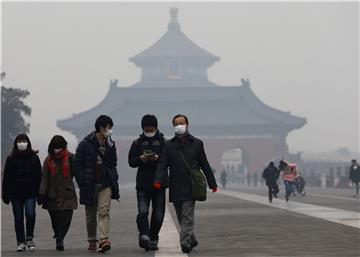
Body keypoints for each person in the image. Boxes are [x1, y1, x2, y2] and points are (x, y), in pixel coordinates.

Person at [153, 114, 218, 253]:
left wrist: (212, 183)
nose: (179, 125)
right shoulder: (168, 145)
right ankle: (191, 238)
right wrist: (157, 180)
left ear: (187, 124)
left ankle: (185, 243)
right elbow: (162, 164)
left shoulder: (197, 143)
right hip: (175, 184)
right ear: (173, 126)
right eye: (176, 123)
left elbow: (204, 164)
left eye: (182, 122)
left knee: (187, 215)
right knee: (181, 216)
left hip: (191, 185)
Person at [75, 115, 120, 253]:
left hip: (105, 182)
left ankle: (104, 239)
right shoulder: (85, 144)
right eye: (109, 127)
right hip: (89, 183)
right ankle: (92, 239)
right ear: (101, 128)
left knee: (104, 211)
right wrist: (81, 180)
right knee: (90, 214)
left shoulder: (110, 144)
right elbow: (77, 164)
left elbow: (113, 163)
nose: (110, 130)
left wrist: (113, 177)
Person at [128, 114, 167, 251]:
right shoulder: (137, 143)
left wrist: (158, 158)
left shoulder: (163, 142)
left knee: (158, 214)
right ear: (143, 128)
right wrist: (140, 159)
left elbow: (168, 160)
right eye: (147, 129)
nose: (149, 131)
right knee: (143, 212)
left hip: (159, 183)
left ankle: (154, 237)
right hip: (143, 184)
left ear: (156, 128)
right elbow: (131, 162)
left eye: (151, 129)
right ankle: (144, 235)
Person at [38, 135, 80, 251]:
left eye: (59, 147)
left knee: (66, 217)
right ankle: (58, 234)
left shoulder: (71, 158)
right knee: (55, 219)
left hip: (68, 193)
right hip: (52, 195)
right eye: (55, 147)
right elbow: (45, 178)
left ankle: (60, 238)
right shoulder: (48, 160)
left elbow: (78, 174)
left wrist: (84, 187)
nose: (57, 150)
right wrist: (41, 193)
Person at [2, 134, 42, 252]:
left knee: (30, 214)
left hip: (30, 192)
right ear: (16, 143)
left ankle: (29, 239)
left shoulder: (34, 158)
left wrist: (40, 194)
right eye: (19, 141)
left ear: (28, 142)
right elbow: (7, 178)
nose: (22, 143)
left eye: (24, 141)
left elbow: (39, 176)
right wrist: (5, 194)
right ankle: (20, 242)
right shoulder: (10, 159)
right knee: (18, 218)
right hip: (16, 193)